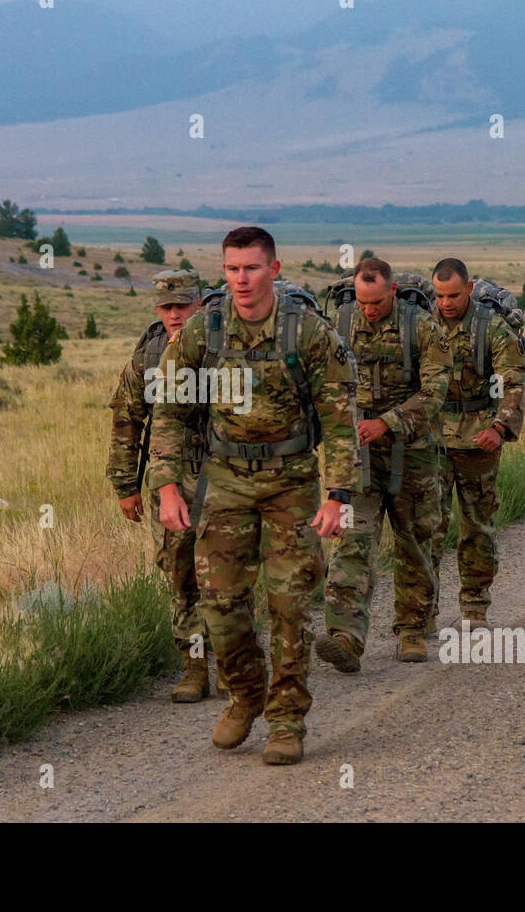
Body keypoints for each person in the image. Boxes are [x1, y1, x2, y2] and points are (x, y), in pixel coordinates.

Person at [150, 226, 359, 766]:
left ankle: (287, 719)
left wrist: (337, 495)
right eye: (232, 269)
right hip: (224, 480)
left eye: (252, 268)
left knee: (290, 604)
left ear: (275, 267)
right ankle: (246, 692)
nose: (241, 280)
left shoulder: (306, 332)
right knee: (218, 603)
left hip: (291, 481)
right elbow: (170, 411)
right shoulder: (203, 332)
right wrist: (167, 485)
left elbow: (339, 421)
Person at [316, 258, 452, 669]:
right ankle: (346, 636)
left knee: (414, 539)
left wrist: (387, 423)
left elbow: (435, 391)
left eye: (376, 302)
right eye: (362, 301)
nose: (369, 310)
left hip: (414, 452)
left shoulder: (422, 328)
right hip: (358, 456)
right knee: (354, 539)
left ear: (392, 292)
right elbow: (322, 386)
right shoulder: (338, 326)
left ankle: (411, 630)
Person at [106, 270, 213, 702]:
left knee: (226, 572)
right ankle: (194, 665)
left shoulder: (223, 345)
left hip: (225, 474)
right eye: (166, 307)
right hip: (169, 477)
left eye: (182, 305)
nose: (174, 314)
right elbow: (126, 420)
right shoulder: (148, 355)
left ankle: (239, 659)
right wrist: (125, 483)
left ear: (200, 303)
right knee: (178, 570)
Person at [429, 258, 525, 629]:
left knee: (476, 525)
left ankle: (474, 606)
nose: (446, 303)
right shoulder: (424, 325)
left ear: (469, 289)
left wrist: (500, 428)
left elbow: (513, 380)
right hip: (433, 436)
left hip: (479, 436)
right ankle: (422, 612)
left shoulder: (491, 329)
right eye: (440, 296)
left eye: (453, 294)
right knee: (428, 524)